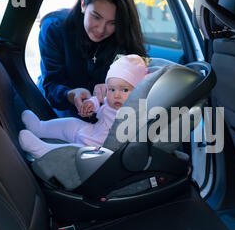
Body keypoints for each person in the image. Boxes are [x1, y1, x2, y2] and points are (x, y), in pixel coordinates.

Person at [38, 0, 146, 119]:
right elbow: (51, 85)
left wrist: (114, 85)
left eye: (112, 23)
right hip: (58, 109)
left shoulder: (122, 38)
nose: (101, 30)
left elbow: (139, 70)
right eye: (96, 17)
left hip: (104, 114)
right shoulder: (54, 29)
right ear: (83, 4)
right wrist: (71, 94)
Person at [19, 55, 148, 159]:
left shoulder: (135, 112)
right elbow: (100, 102)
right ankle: (40, 127)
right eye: (112, 89)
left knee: (74, 152)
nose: (117, 95)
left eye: (125, 90)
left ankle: (42, 150)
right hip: (91, 131)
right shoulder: (111, 101)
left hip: (99, 148)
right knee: (71, 123)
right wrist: (91, 104)